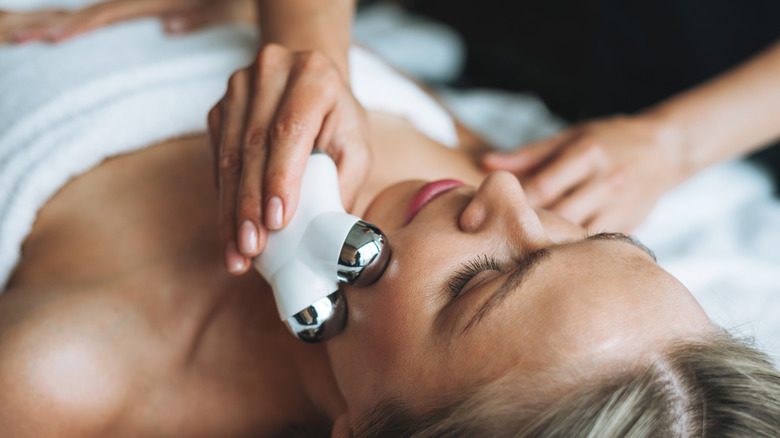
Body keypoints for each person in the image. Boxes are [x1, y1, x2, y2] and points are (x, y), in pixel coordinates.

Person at [1, 1, 780, 437]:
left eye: (478, 284)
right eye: (601, 241)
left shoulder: (56, 382)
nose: (505, 201)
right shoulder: (513, 190)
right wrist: (304, 43)